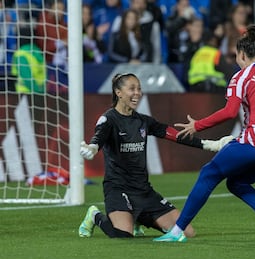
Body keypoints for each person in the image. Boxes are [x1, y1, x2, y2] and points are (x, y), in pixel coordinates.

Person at [154, 25, 255, 243]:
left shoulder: (242, 76)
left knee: (209, 173)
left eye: (236, 55)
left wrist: (198, 125)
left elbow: (229, 112)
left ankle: (177, 232)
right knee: (236, 183)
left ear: (242, 54)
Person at [78, 73, 229, 238]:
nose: (137, 93)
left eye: (139, 89)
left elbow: (174, 135)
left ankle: (139, 218)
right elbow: (99, 136)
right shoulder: (109, 119)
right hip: (118, 189)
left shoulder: (143, 121)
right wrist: (93, 147)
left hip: (143, 191)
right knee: (123, 235)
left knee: (187, 232)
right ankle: (95, 216)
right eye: (132, 89)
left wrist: (210, 144)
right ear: (118, 92)